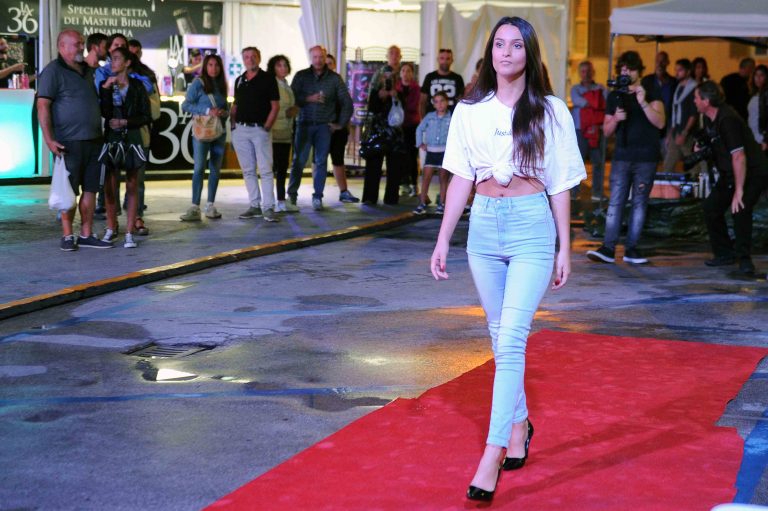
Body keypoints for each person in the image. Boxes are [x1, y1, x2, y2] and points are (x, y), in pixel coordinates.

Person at [430, 16, 585, 502]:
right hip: (483, 228)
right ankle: (518, 427)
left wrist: (565, 246)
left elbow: (561, 182)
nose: (506, 52)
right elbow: (460, 177)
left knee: (512, 337)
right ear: (490, 53)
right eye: (499, 44)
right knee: (499, 336)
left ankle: (492, 453)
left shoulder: (552, 111)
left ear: (529, 53)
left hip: (531, 228)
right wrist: (443, 238)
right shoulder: (469, 111)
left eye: (516, 45)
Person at [37, 29, 112, 250]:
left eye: (81, 43)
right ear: (62, 46)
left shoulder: (88, 71)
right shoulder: (53, 71)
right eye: (77, 43)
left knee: (91, 189)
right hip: (67, 142)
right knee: (67, 191)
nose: (81, 47)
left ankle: (86, 234)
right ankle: (68, 235)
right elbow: (43, 106)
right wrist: (49, 140)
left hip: (94, 140)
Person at [694, 81, 768, 274]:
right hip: (731, 173)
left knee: (740, 208)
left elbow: (739, 156)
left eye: (696, 97)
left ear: (706, 101)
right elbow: (712, 139)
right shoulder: (709, 118)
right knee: (711, 207)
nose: (694, 101)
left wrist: (739, 190)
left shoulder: (728, 119)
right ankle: (724, 253)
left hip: (752, 171)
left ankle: (745, 260)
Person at [287, 45, 353, 211]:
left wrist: (340, 124)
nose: (318, 60)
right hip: (304, 124)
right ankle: (292, 196)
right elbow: (291, 98)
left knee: (321, 162)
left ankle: (317, 197)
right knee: (299, 161)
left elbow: (347, 102)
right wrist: (308, 98)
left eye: (321, 57)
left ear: (325, 57)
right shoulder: (301, 76)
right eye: (315, 57)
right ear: (311, 58)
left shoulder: (335, 79)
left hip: (324, 127)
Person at [98, 47, 151, 248]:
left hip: (132, 138)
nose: (113, 62)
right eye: (111, 59)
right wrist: (105, 89)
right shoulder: (107, 84)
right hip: (112, 138)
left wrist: (125, 122)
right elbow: (104, 112)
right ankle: (111, 227)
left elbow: (146, 115)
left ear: (127, 62)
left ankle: (129, 232)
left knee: (132, 184)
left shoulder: (137, 85)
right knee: (110, 185)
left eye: (117, 58)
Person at [230, 46, 280, 223]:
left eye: (253, 56)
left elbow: (275, 106)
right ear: (243, 60)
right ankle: (254, 205)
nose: (250, 59)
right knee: (248, 170)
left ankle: (268, 207)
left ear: (259, 58)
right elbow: (235, 105)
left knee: (265, 170)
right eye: (246, 57)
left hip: (260, 130)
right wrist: (233, 125)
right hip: (241, 130)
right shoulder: (240, 80)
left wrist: (267, 126)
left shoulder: (268, 79)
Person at [180, 54, 229, 221]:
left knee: (215, 169)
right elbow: (186, 105)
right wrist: (208, 111)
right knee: (199, 167)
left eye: (217, 65)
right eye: (210, 65)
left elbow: (225, 106)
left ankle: (210, 205)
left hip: (218, 131)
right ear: (205, 67)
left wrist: (224, 112)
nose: (213, 68)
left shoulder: (222, 84)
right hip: (202, 131)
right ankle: (195, 206)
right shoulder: (198, 83)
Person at [361, 45, 406, 205]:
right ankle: (369, 197)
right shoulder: (376, 83)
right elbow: (371, 106)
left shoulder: (402, 80)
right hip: (378, 129)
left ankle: (391, 198)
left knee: (394, 165)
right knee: (374, 162)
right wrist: (380, 95)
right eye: (391, 53)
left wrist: (395, 95)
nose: (387, 79)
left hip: (395, 130)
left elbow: (406, 103)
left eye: (396, 53)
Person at [127, 38, 161, 236]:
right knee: (110, 180)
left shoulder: (146, 77)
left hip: (140, 134)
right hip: (115, 136)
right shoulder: (109, 76)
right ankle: (111, 221)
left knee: (137, 179)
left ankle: (137, 217)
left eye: (136, 52)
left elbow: (155, 110)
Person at [325, 53, 360, 203]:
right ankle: (317, 194)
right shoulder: (314, 82)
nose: (327, 66)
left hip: (338, 130)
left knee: (338, 159)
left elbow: (347, 104)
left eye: (330, 63)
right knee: (318, 161)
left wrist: (340, 124)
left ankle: (344, 192)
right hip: (321, 129)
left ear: (334, 65)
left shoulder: (339, 82)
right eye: (325, 63)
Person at [570, 60, 607, 200]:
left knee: (598, 163)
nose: (586, 74)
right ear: (580, 73)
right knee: (577, 163)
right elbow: (579, 101)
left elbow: (606, 101)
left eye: (589, 71)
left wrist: (592, 100)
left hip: (596, 130)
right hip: (580, 130)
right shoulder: (575, 89)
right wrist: (596, 99)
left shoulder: (601, 88)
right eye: (583, 71)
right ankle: (574, 193)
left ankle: (597, 193)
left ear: (593, 72)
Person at [266, 55, 298, 213]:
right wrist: (287, 113)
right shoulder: (272, 84)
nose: (283, 68)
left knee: (283, 168)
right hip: (274, 132)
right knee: (273, 168)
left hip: (286, 131)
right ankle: (271, 201)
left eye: (285, 65)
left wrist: (293, 111)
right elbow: (271, 107)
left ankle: (280, 200)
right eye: (279, 65)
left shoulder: (286, 84)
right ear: (273, 68)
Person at [413, 91, 451, 215]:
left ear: (447, 102)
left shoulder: (451, 117)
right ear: (433, 104)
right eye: (436, 102)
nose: (439, 104)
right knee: (426, 178)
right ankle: (422, 203)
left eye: (442, 101)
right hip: (431, 152)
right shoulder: (429, 116)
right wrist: (420, 143)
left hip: (444, 152)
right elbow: (419, 129)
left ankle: (441, 204)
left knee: (443, 179)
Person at [662, 58, 699, 172]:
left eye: (680, 70)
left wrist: (684, 133)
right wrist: (671, 132)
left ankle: (695, 182)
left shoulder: (693, 88)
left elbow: (693, 114)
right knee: (668, 164)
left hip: (687, 134)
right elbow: (675, 111)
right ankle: (667, 182)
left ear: (688, 71)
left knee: (692, 164)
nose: (676, 73)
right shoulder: (678, 87)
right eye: (676, 70)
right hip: (676, 131)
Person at [397, 62, 422, 198]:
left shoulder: (416, 88)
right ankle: (403, 183)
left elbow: (412, 106)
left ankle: (414, 184)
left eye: (408, 71)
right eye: (403, 71)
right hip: (398, 126)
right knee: (400, 156)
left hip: (412, 125)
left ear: (412, 74)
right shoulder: (396, 87)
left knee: (412, 156)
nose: (406, 73)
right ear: (400, 73)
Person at [420, 48, 465, 117]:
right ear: (437, 59)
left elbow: (461, 101)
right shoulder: (429, 77)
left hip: (452, 117)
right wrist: (423, 119)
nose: (445, 61)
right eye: (442, 58)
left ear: (452, 60)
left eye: (448, 59)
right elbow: (422, 101)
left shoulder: (458, 78)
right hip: (432, 118)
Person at [721, 57, 756, 122]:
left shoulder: (748, 82)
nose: (753, 71)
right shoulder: (729, 81)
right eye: (752, 68)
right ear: (748, 68)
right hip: (733, 118)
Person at [747, 65, 767, 153]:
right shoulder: (755, 94)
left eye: (761, 75)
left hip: (762, 140)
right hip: (754, 139)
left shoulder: (765, 95)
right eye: (756, 75)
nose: (758, 78)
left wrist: (765, 140)